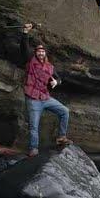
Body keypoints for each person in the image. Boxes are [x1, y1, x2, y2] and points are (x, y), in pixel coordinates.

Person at [20, 23, 72, 156]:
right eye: (38, 51)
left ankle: (61, 137)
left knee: (64, 111)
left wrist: (56, 81)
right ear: (35, 53)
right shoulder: (30, 61)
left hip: (45, 98)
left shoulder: (50, 67)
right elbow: (24, 47)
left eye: (43, 51)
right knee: (34, 126)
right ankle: (33, 149)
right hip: (33, 99)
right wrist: (25, 32)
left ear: (45, 54)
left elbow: (59, 79)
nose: (41, 53)